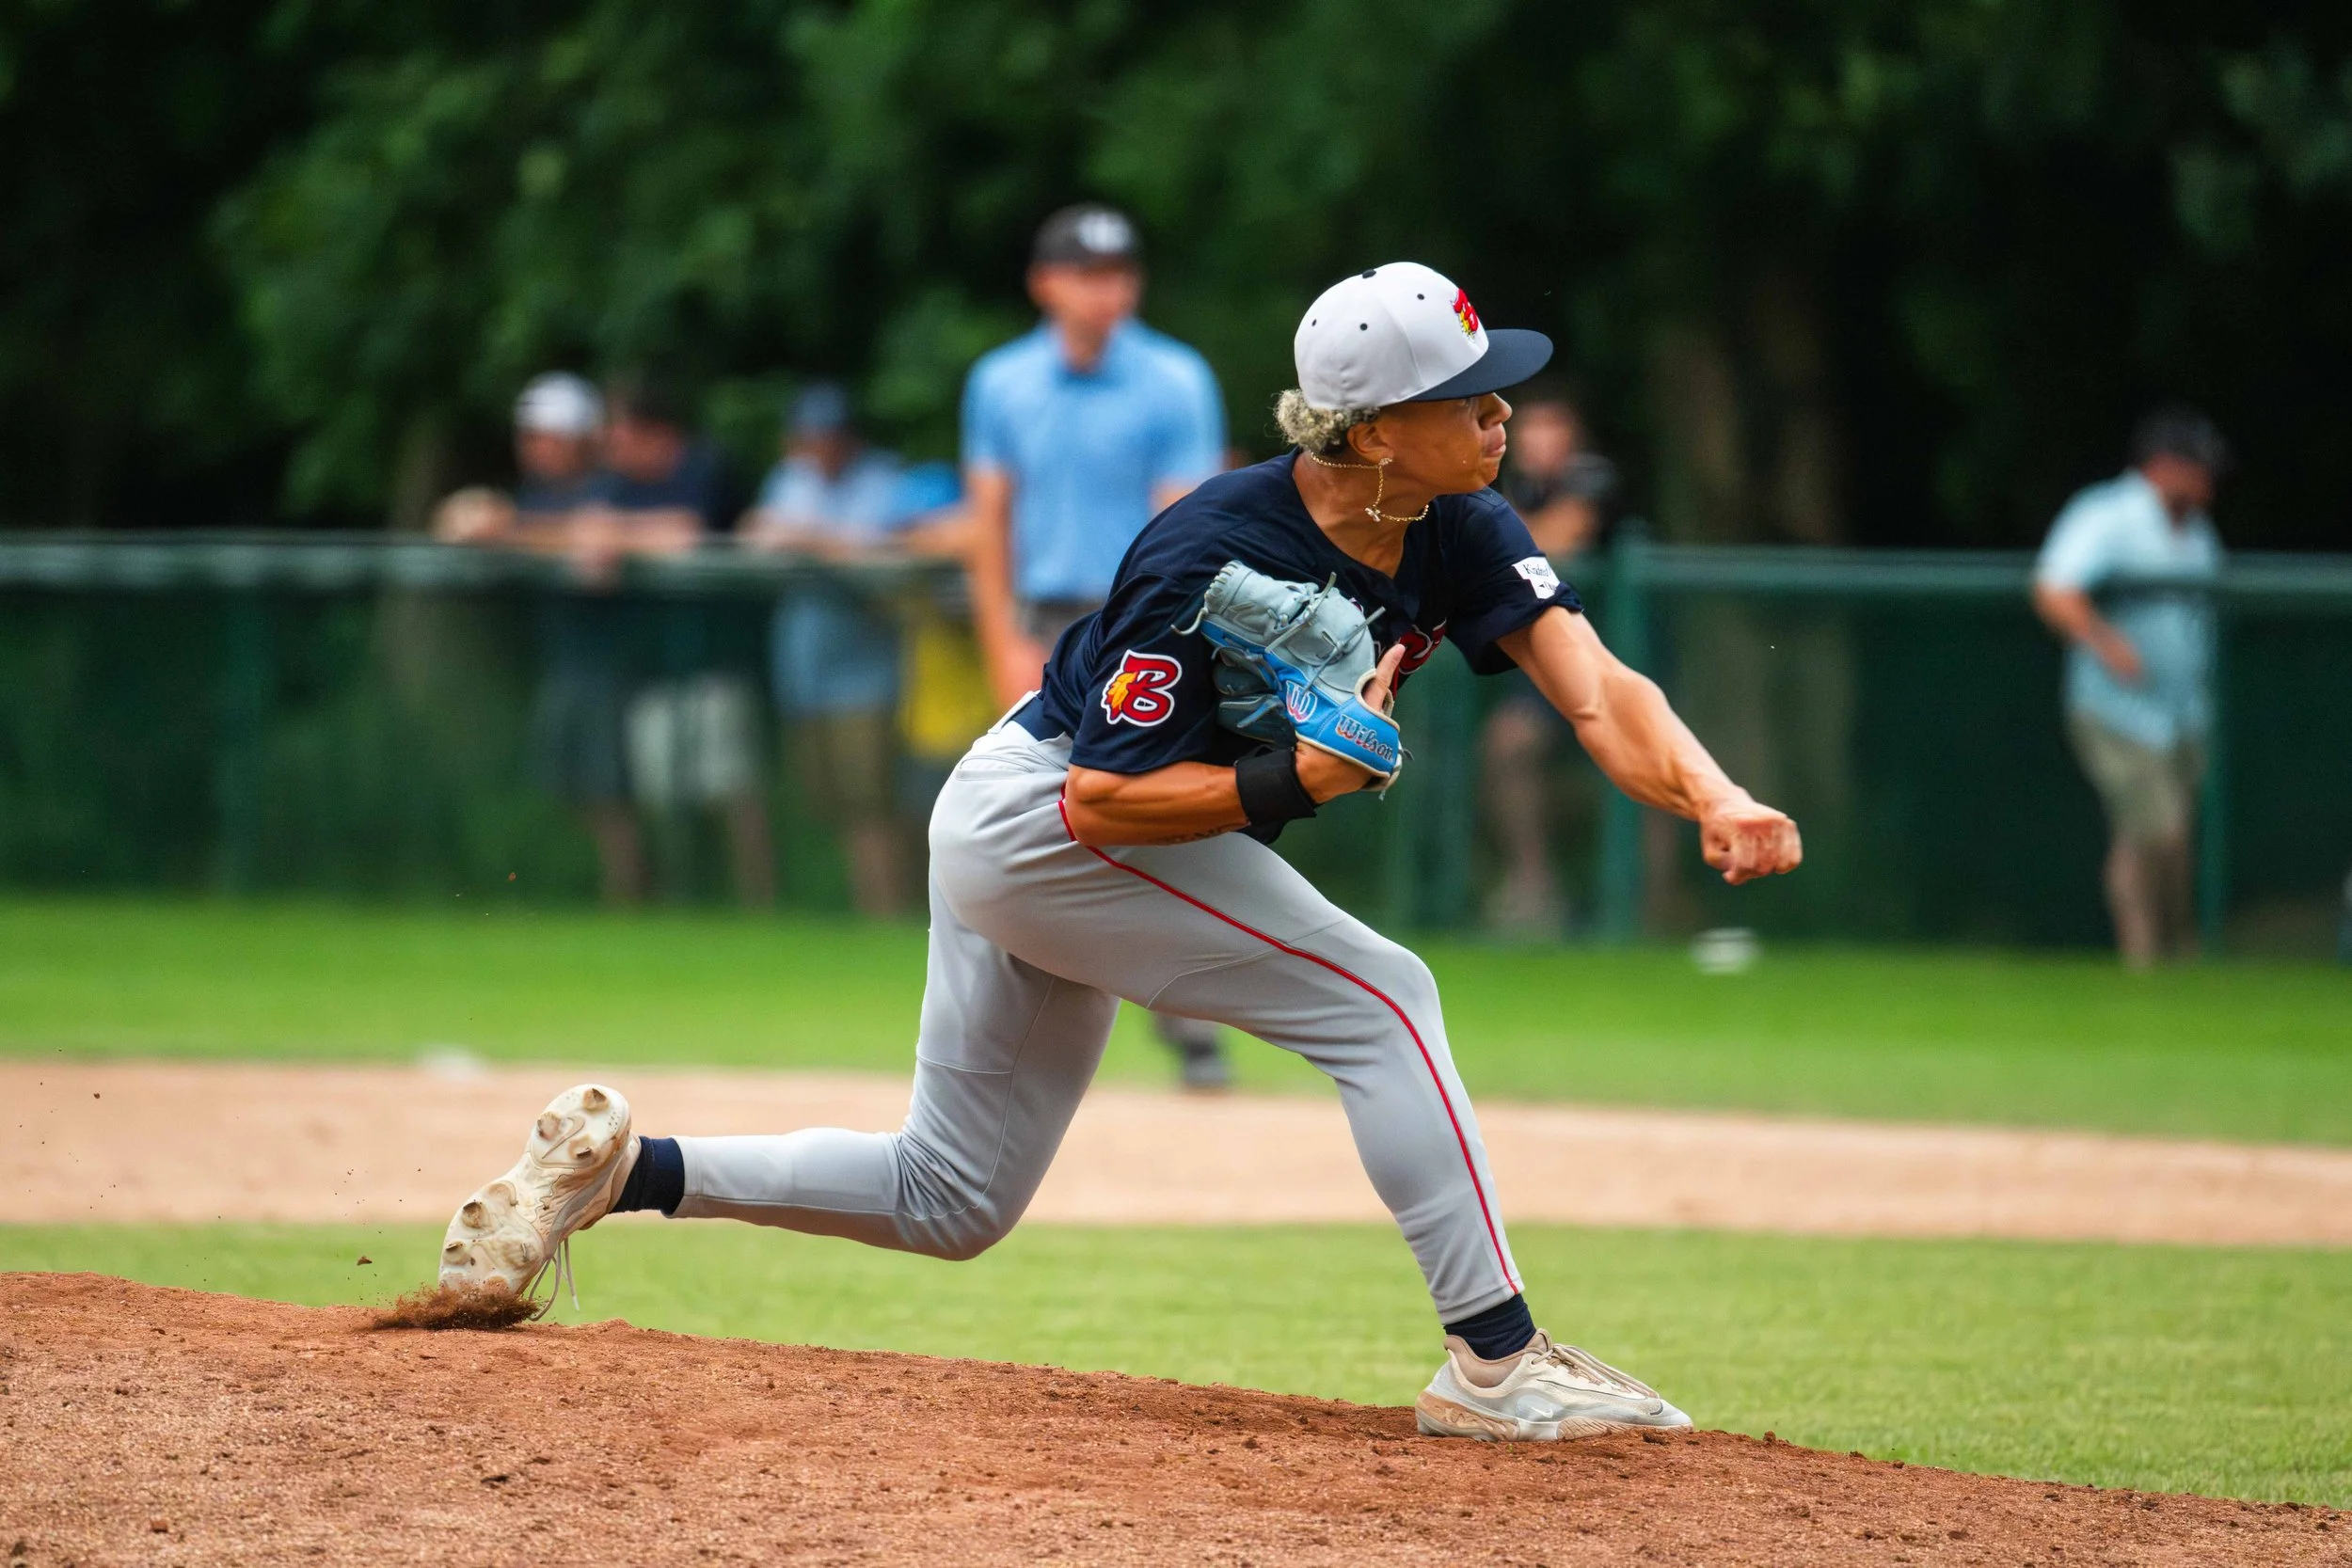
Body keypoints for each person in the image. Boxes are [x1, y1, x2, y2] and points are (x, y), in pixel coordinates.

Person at [439, 262, 1804, 1441]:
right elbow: (1100, 799)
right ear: (1377, 430)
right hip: (1042, 817)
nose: (1504, 413)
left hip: (1054, 820)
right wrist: (1290, 778)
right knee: (1385, 997)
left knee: (951, 1196)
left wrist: (1716, 793)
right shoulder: (1208, 549)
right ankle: (1499, 1361)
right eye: (1471, 396)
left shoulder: (1459, 525)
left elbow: (1599, 687)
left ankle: (624, 1171)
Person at [961, 202, 1235, 1089]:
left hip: (1139, 624)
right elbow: (989, 524)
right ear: (1046, 282)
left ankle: (1195, 1025)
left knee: (1150, 821)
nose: (1107, 289)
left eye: (1119, 273)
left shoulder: (1173, 379)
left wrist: (1166, 650)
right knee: (1019, 822)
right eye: (1087, 273)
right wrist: (1000, 634)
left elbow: (1183, 523)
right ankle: (1014, 1029)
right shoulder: (1002, 382)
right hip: (1044, 618)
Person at [742, 383, 967, 916]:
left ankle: (888, 911)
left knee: (873, 800)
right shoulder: (789, 480)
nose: (820, 447)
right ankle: (853, 909)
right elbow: (757, 534)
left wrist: (809, 540)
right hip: (804, 669)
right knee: (829, 799)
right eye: (809, 437)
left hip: (868, 672)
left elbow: (886, 556)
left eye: (830, 436)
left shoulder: (884, 482)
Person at [433, 372, 647, 906]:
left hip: (611, 661)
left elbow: (596, 539)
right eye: (528, 437)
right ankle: (626, 884)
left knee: (609, 788)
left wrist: (514, 533)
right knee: (568, 785)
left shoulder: (610, 490)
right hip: (562, 660)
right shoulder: (532, 498)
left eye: (546, 437)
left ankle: (631, 893)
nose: (533, 449)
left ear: (578, 440)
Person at [2032, 406, 2226, 968]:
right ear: (2164, 465)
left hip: (2183, 710)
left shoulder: (2196, 530)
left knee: (2172, 836)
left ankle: (2175, 955)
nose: (2209, 480)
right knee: (2155, 829)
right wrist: (2107, 643)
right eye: (2198, 467)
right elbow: (2054, 589)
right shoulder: (2107, 514)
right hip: (2115, 708)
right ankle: (2143, 956)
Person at [599, 373, 775, 910]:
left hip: (716, 661)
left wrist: (616, 538)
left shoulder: (704, 466)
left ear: (652, 431)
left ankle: (758, 905)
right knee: (663, 797)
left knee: (733, 793)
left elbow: (685, 531)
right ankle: (681, 901)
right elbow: (591, 525)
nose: (612, 444)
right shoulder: (619, 483)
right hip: (652, 666)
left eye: (621, 431)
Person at [1477, 386, 1622, 934]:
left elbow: (1553, 540)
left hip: (1615, 650)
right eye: (1530, 427)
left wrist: (1494, 536)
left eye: (1551, 426)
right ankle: (1533, 890)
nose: (1537, 439)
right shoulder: (1515, 487)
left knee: (1641, 761)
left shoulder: (1592, 476)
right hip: (1542, 659)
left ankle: (1656, 904)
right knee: (1508, 746)